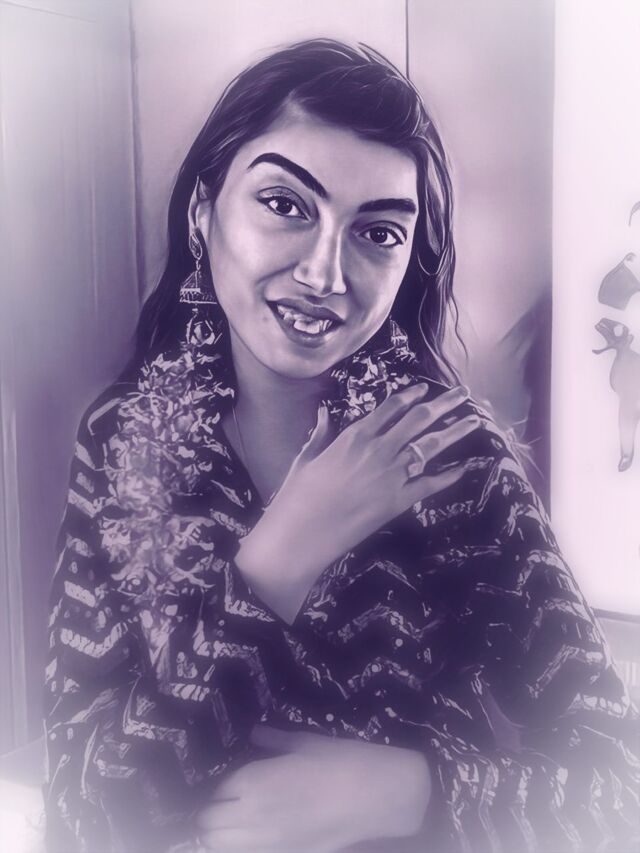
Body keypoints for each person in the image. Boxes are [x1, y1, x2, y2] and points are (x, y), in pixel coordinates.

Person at [43, 38, 639, 853]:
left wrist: (415, 791)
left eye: (378, 232)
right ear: (202, 213)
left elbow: (621, 785)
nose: (326, 274)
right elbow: (84, 813)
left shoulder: (447, 458)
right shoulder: (122, 441)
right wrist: (278, 560)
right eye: (286, 205)